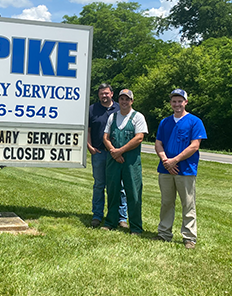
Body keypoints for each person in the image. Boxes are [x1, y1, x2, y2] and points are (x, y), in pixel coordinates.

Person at [153, 89, 207, 249]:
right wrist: (165, 160)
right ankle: (164, 234)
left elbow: (195, 145)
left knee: (188, 204)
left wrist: (174, 160)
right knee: (166, 203)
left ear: (186, 102)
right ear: (170, 103)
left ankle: (189, 237)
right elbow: (158, 143)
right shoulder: (165, 122)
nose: (177, 104)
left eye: (180, 101)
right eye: (174, 101)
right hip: (165, 170)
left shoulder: (195, 121)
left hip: (186, 170)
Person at [102, 89, 148, 235]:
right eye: (121, 99)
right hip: (113, 160)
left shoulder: (137, 117)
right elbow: (105, 137)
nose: (124, 101)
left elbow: (139, 138)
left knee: (133, 194)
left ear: (132, 101)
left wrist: (119, 151)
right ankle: (111, 222)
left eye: (127, 99)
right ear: (118, 100)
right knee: (113, 191)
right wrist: (113, 152)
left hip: (131, 162)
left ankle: (135, 227)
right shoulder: (113, 117)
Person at [87, 83, 128, 228]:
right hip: (99, 153)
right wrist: (89, 146)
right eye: (101, 93)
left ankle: (121, 218)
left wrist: (120, 151)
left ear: (111, 93)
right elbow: (88, 130)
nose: (104, 96)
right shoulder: (92, 109)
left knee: (120, 186)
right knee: (99, 185)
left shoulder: (120, 108)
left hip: (116, 154)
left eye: (106, 93)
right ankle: (97, 215)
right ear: (98, 95)